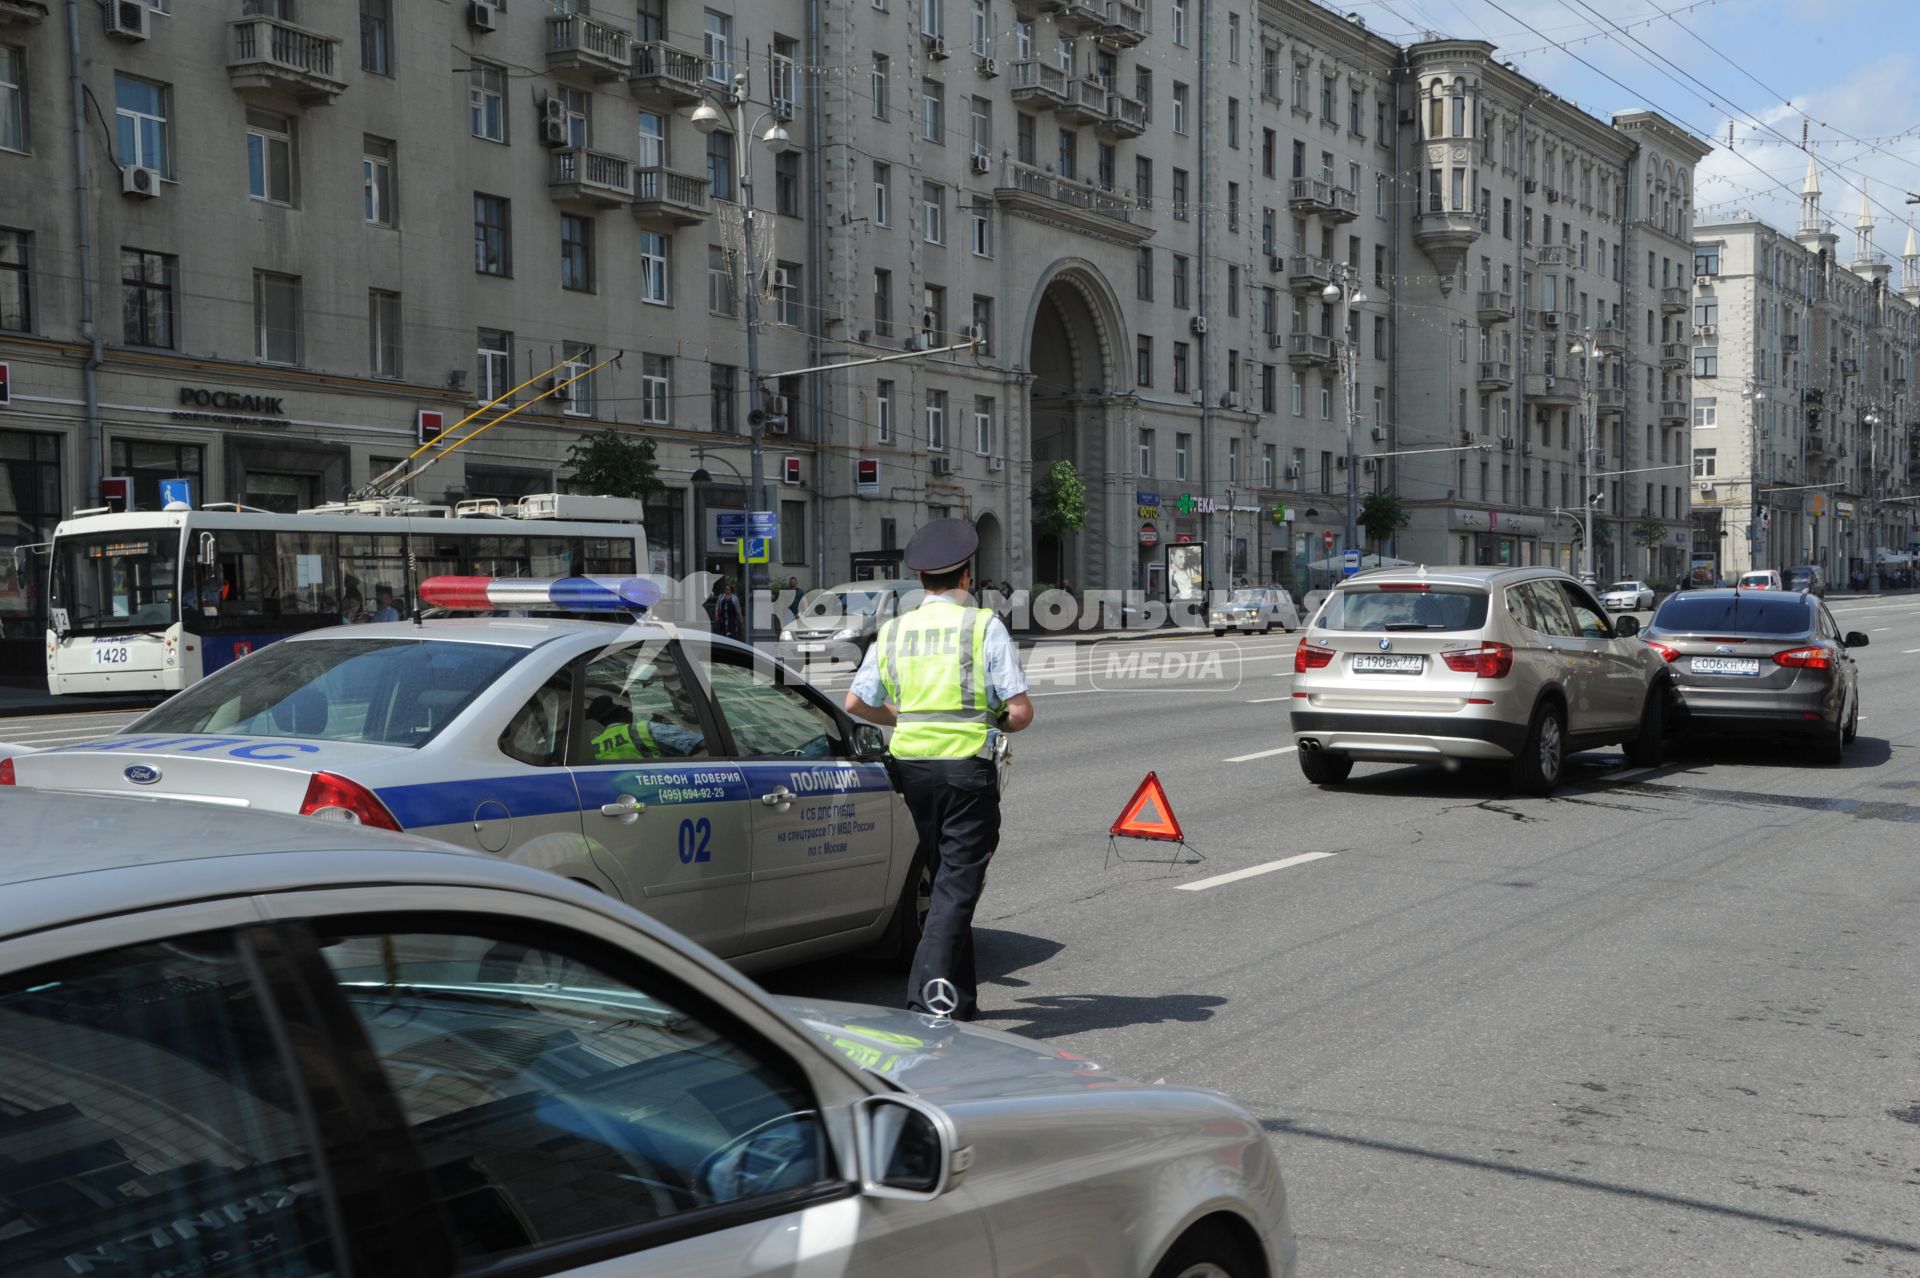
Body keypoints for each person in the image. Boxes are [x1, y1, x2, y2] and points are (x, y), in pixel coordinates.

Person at [844, 517, 1034, 1022]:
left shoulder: (894, 630)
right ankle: (925, 1004)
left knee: (947, 880)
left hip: (912, 769)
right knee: (956, 888)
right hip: (965, 770)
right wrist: (992, 720)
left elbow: (856, 702)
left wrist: (902, 718)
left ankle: (961, 1002)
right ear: (967, 575)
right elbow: (1019, 713)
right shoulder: (982, 625)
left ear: (921, 580)